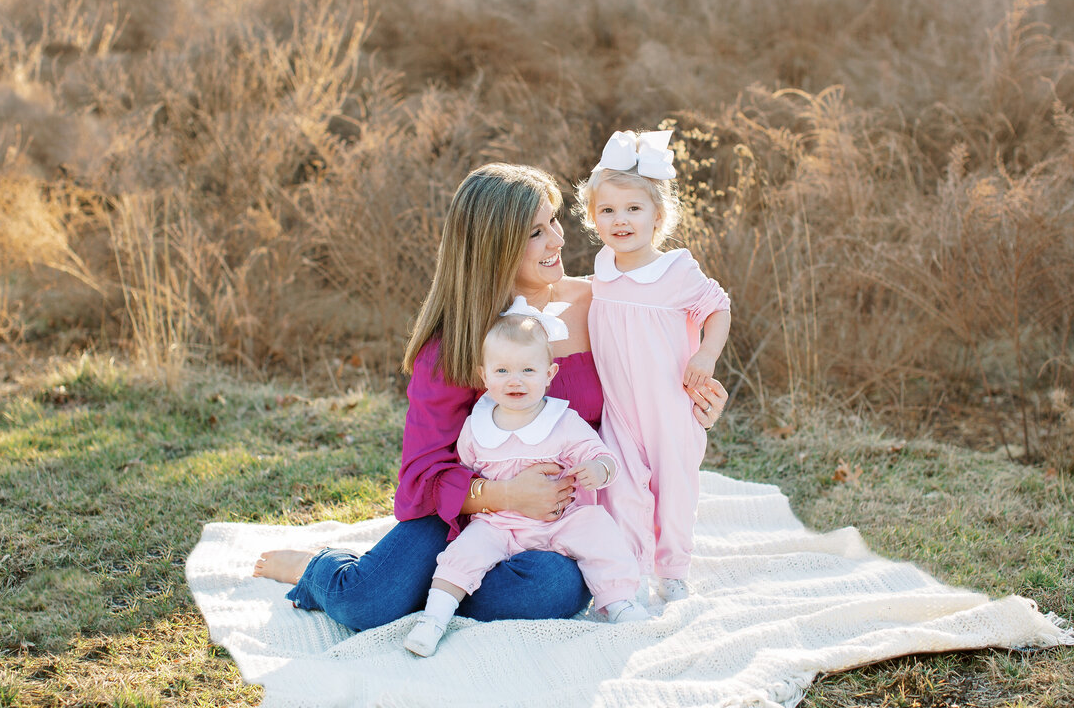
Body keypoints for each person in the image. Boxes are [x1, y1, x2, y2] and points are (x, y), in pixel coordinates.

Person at [253, 162, 727, 632]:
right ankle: (322, 569)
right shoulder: (452, 344)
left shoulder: (601, 303)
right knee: (367, 603)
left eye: (555, 221)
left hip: (558, 520)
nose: (559, 240)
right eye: (535, 233)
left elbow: (650, 386)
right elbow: (419, 481)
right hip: (467, 515)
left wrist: (692, 400)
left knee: (549, 588)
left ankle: (440, 587)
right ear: (494, 248)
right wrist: (505, 495)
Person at [404, 312, 648, 657]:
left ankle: (618, 601)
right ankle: (433, 619)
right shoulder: (476, 428)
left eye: (527, 371)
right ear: (483, 375)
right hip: (498, 523)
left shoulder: (562, 421)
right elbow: (467, 471)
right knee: (462, 554)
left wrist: (599, 468)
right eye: (502, 371)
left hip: (560, 520)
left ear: (549, 375)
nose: (514, 380)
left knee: (598, 529)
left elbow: (600, 453)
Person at [577, 130, 732, 603]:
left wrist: (705, 355)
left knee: (675, 488)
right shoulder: (601, 273)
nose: (620, 220)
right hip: (621, 411)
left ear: (657, 216)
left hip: (669, 405)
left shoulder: (676, 272)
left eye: (633, 209)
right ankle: (632, 573)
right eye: (607, 210)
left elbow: (718, 308)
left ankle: (673, 570)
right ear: (593, 218)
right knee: (620, 490)